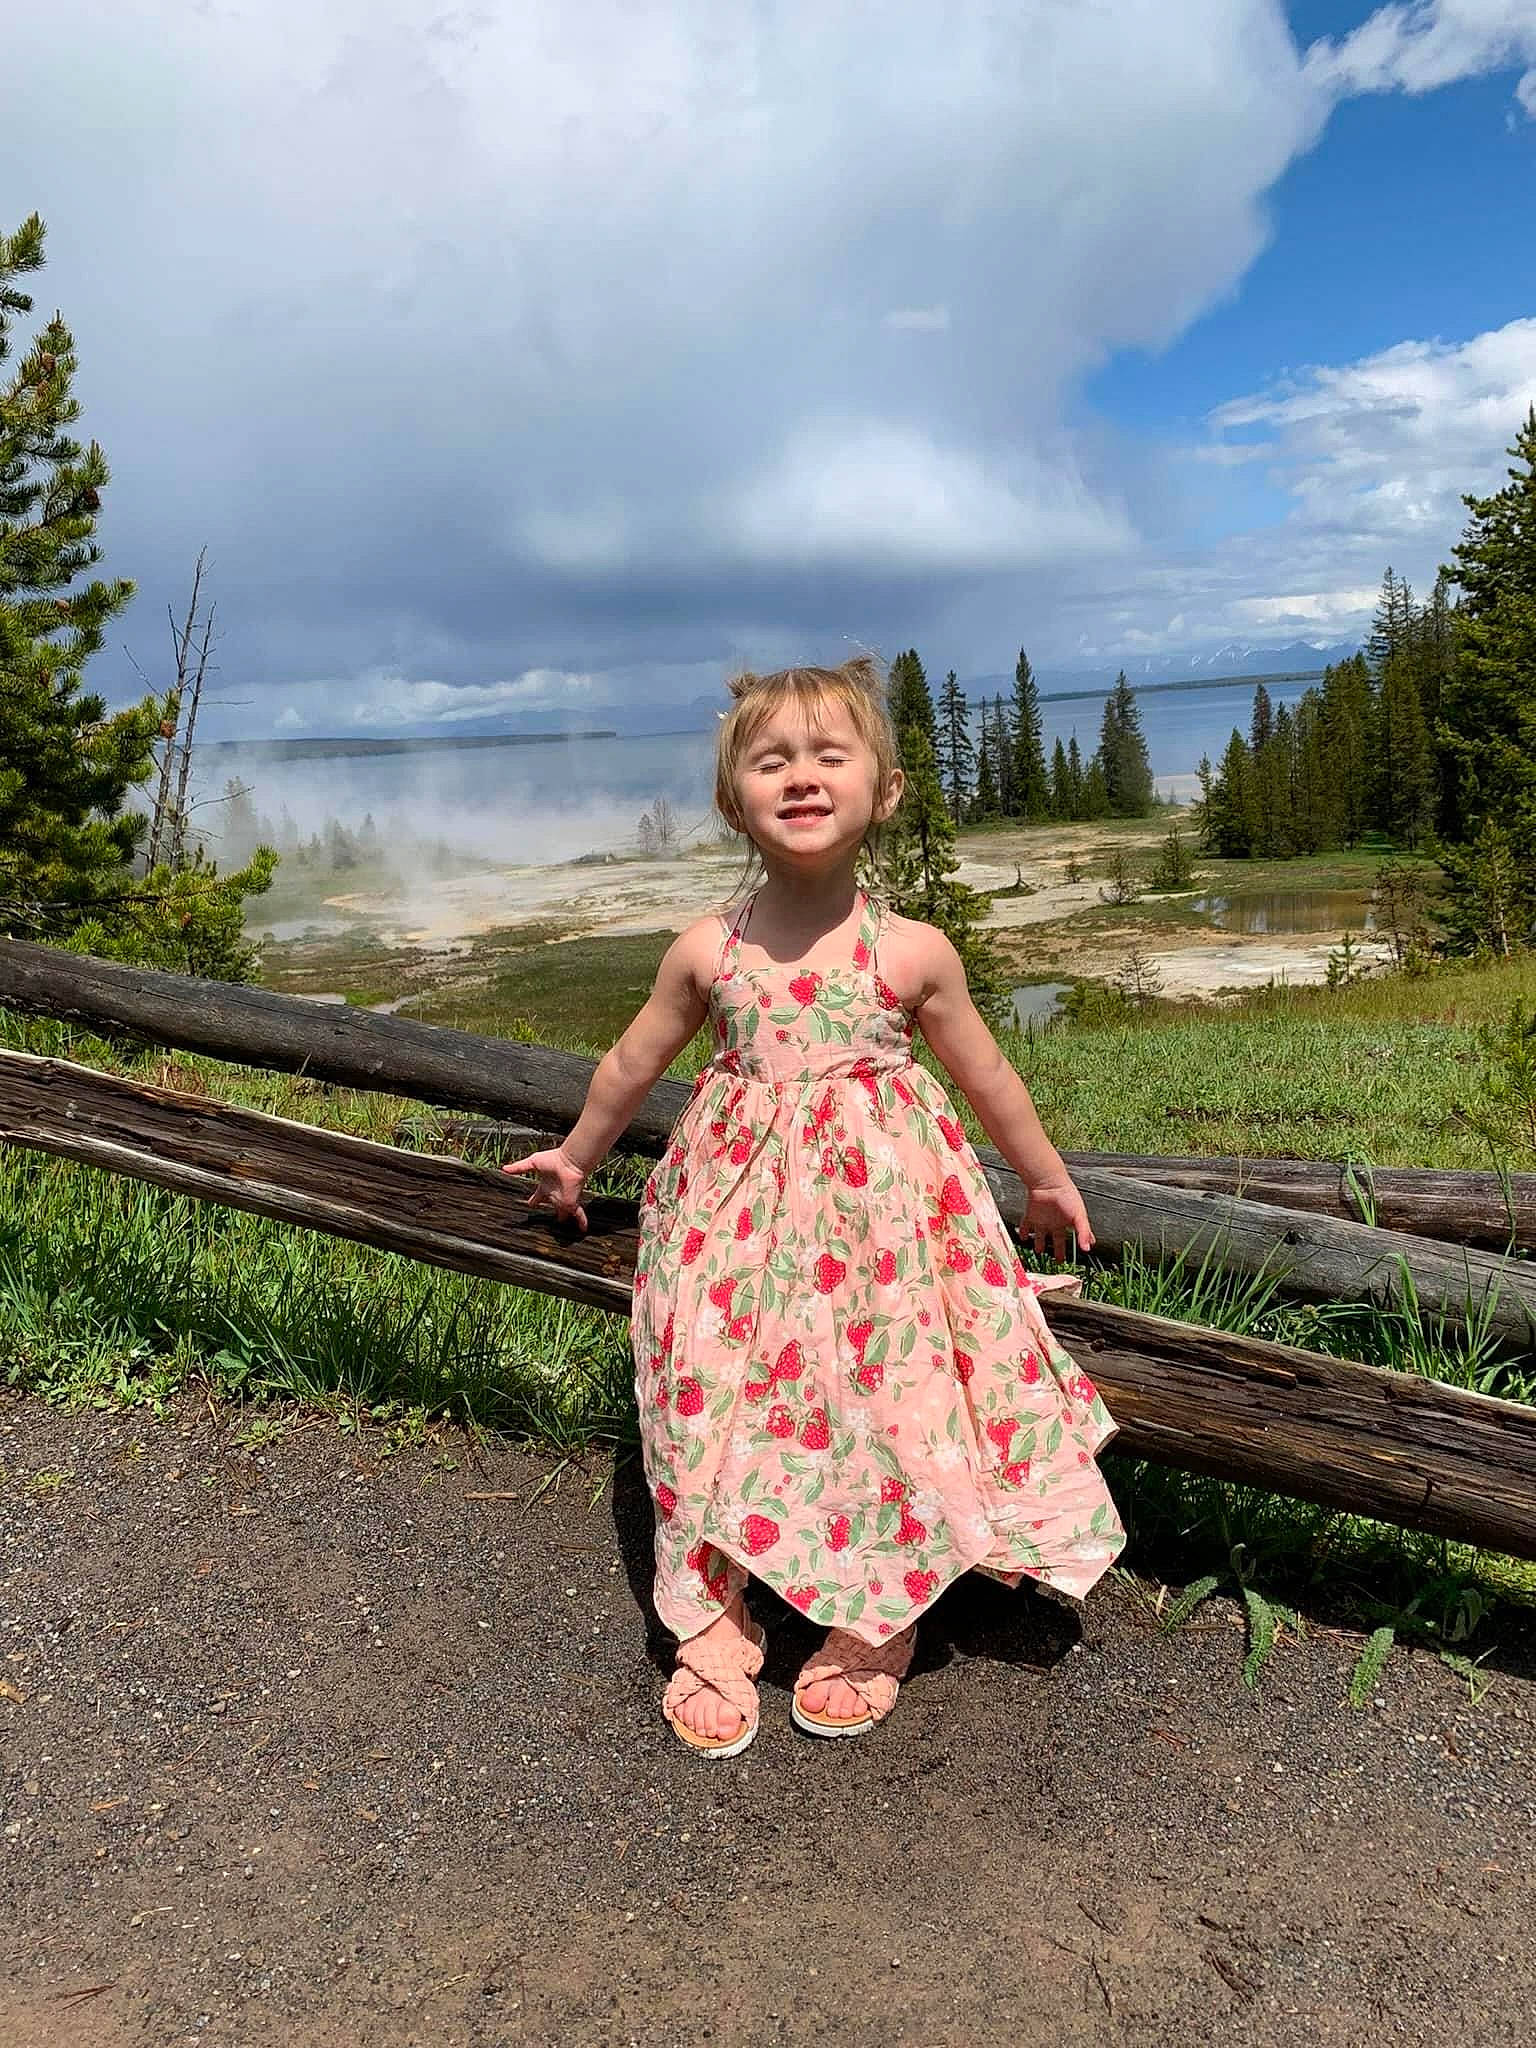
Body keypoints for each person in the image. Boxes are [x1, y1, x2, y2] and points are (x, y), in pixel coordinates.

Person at [504, 657, 1124, 1757]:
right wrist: (577, 1156)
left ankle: (875, 1612)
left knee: (886, 1400)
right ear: (731, 796)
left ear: (883, 791)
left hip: (882, 1237)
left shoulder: (912, 950)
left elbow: (988, 1076)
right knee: (705, 1390)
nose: (800, 776)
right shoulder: (709, 948)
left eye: (830, 756)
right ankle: (712, 1614)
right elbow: (632, 1061)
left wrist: (1043, 1176)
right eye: (771, 760)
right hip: (730, 1223)